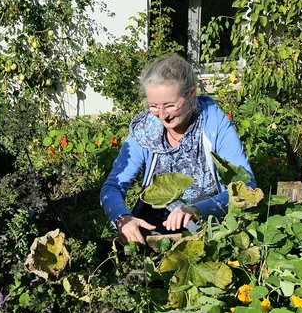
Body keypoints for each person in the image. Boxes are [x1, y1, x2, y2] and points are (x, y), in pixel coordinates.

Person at [100, 53, 256, 244]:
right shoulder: (146, 131)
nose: (162, 116)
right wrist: (122, 218)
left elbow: (246, 187)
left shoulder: (214, 125)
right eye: (154, 106)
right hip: (155, 227)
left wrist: (198, 210)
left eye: (170, 105)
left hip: (210, 225)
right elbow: (113, 186)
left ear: (191, 95)